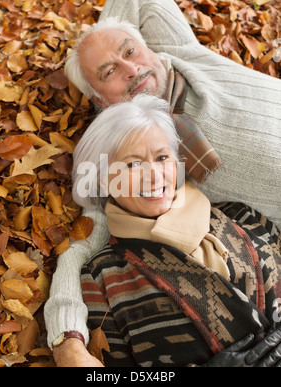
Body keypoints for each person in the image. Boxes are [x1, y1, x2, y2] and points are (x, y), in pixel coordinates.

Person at [44, 0, 281, 366]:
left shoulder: (184, 55)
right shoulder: (124, 156)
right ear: (98, 100)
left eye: (130, 51)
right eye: (108, 72)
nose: (131, 69)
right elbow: (82, 246)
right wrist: (67, 341)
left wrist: (97, 39)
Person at [76, 94, 281, 366]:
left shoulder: (242, 215)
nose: (155, 175)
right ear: (103, 180)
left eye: (162, 157)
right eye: (133, 164)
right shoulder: (101, 276)